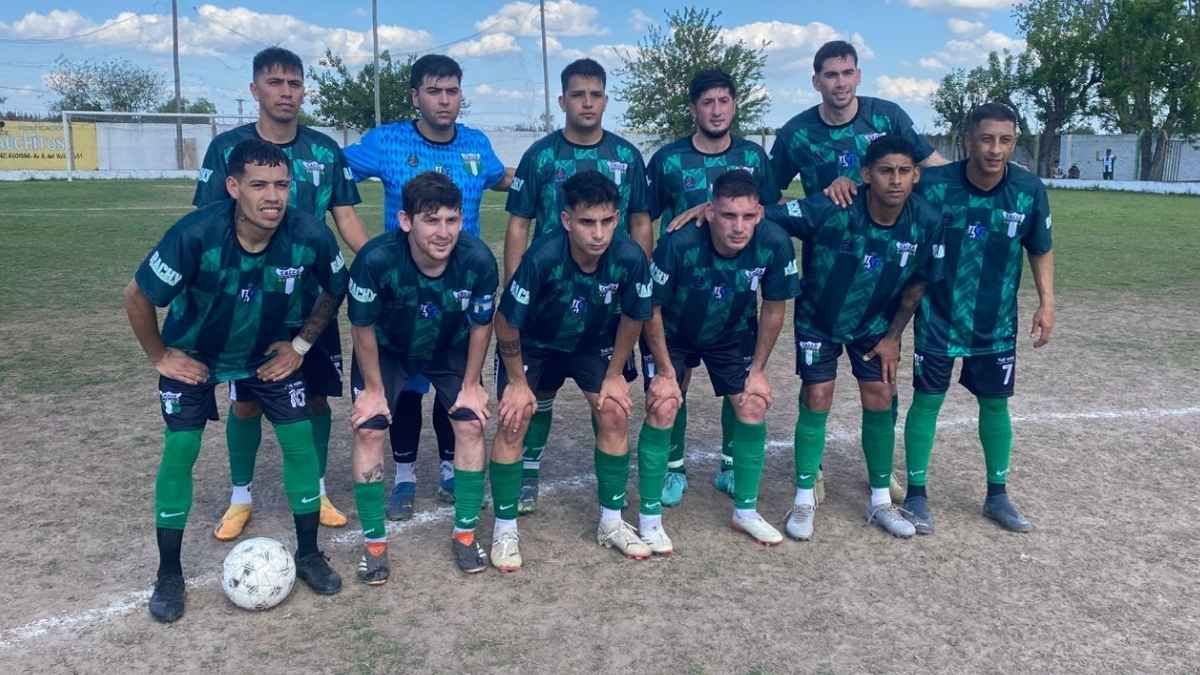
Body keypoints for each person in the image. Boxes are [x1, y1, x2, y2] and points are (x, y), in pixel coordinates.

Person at [125, 139, 346, 623]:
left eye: (282, 185)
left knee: (299, 442)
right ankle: (168, 574)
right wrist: (161, 355)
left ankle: (308, 554)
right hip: (197, 355)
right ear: (232, 187)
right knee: (180, 450)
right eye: (259, 185)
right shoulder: (196, 233)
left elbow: (335, 286)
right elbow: (137, 294)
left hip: (266, 355)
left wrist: (301, 346)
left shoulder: (309, 233)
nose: (273, 196)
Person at [195, 46, 368, 540]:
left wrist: (380, 259)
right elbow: (207, 223)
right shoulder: (226, 148)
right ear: (255, 90)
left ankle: (315, 487)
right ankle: (240, 497)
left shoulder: (324, 150)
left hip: (314, 301)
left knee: (316, 398)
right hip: (250, 302)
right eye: (275, 83)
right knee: (246, 401)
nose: (286, 92)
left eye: (294, 83)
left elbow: (347, 218)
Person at [768, 39, 948, 501]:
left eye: (847, 73)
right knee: (818, 390)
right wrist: (818, 200)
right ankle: (813, 466)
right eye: (831, 75)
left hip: (886, 274)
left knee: (881, 384)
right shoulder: (796, 133)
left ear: (858, 76)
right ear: (816, 81)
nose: (840, 83)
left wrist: (976, 185)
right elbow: (767, 198)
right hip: (830, 259)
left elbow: (931, 168)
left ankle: (881, 472)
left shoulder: (887, 117)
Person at [343, 54, 510, 521]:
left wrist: (556, 182)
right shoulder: (388, 140)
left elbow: (504, 180)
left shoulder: (476, 143)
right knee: (409, 390)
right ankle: (404, 476)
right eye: (433, 91)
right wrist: (366, 251)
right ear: (415, 96)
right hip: (404, 292)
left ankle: (450, 469)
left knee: (451, 390)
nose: (444, 100)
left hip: (459, 291)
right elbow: (335, 177)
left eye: (452, 91)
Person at [762, 135, 944, 540]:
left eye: (904, 172)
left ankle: (881, 500)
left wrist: (894, 336)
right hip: (818, 318)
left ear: (916, 175)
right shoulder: (833, 206)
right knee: (817, 395)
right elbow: (766, 215)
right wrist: (717, 210)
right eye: (885, 171)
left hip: (875, 324)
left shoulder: (927, 220)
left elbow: (917, 284)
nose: (895, 181)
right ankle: (805, 496)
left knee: (880, 394)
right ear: (866, 175)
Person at [502, 58, 652, 515]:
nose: (587, 102)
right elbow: (518, 226)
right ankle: (528, 469)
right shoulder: (541, 156)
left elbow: (642, 222)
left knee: (607, 396)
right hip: (546, 295)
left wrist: (635, 280)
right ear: (563, 100)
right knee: (538, 393)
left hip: (604, 298)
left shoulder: (627, 156)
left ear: (606, 100)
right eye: (578, 94)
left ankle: (609, 496)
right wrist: (514, 289)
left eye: (596, 94)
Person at [902, 103, 1055, 534]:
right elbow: (886, 192)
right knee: (927, 401)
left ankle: (997, 495)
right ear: (968, 139)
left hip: (995, 319)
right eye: (987, 139)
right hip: (937, 315)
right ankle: (916, 495)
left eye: (1005, 140)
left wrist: (1047, 303)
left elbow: (1040, 247)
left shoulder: (1027, 189)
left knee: (994, 403)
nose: (995, 149)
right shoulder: (931, 184)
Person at [491, 171, 652, 571]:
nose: (598, 234)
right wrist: (516, 382)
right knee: (516, 418)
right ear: (567, 221)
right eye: (586, 222)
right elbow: (505, 321)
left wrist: (615, 373)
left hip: (591, 342)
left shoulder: (630, 258)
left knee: (614, 410)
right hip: (535, 342)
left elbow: (635, 316)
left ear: (617, 219)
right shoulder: (543, 257)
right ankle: (504, 528)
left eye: (606, 222)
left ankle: (611, 523)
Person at [345, 172, 498, 582]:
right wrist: (374, 391)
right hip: (388, 350)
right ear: (406, 221)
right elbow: (362, 326)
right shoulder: (375, 260)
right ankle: (374, 547)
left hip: (448, 345)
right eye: (431, 220)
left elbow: (481, 324)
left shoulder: (479, 260)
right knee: (369, 429)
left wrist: (472, 384)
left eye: (452, 219)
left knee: (470, 422)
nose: (443, 231)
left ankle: (465, 534)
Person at [643, 67, 781, 507]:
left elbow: (768, 212)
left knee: (735, 383)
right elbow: (644, 216)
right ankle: (672, 467)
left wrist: (720, 210)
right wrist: (646, 269)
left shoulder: (754, 159)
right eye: (707, 102)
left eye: (724, 101)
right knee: (673, 383)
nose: (717, 110)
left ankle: (728, 463)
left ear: (735, 105)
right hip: (681, 295)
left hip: (735, 296)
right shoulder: (668, 159)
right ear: (693, 109)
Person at [640, 170, 799, 549]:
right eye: (728, 216)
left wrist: (758, 371)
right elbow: (651, 310)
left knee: (753, 403)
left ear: (760, 213)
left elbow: (774, 308)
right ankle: (648, 518)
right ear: (710, 212)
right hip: (674, 331)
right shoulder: (678, 243)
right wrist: (664, 371)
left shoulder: (774, 243)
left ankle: (745, 511)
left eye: (746, 216)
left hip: (730, 331)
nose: (738, 227)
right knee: (663, 404)